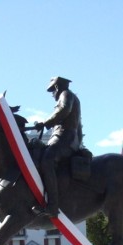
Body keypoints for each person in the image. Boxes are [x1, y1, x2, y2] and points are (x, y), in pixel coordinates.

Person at [33, 76, 83, 217]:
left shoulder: (65, 94)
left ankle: (53, 205)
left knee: (47, 160)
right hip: (62, 138)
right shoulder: (68, 95)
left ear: (56, 87)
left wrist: (44, 123)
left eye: (52, 91)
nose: (52, 95)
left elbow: (63, 110)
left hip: (65, 138)